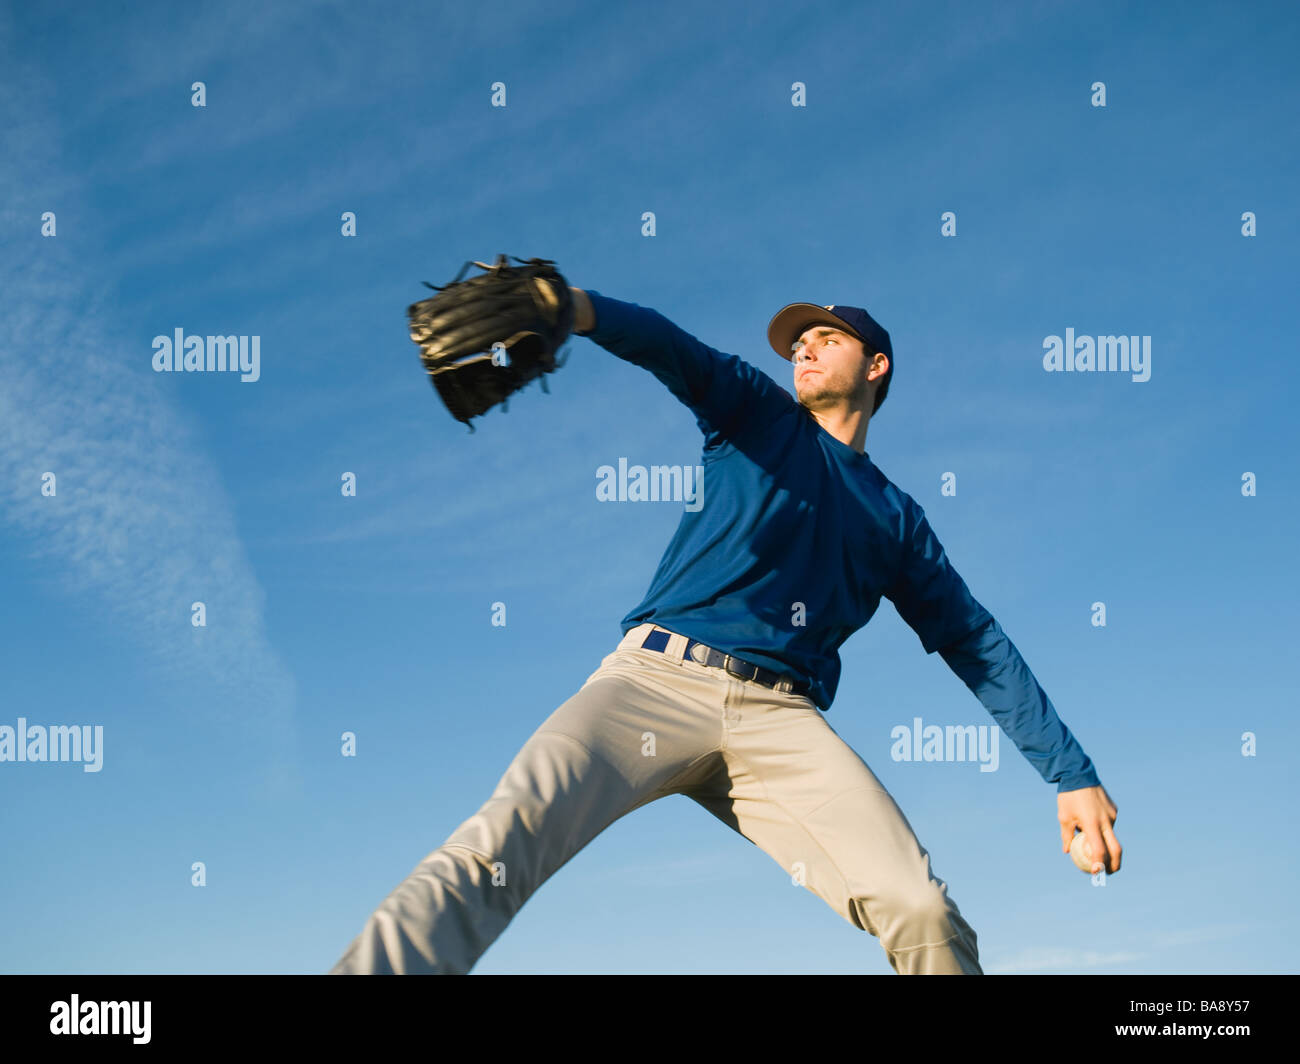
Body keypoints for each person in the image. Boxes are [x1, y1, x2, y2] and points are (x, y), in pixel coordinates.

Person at [329, 286, 1121, 975]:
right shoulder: (758, 417)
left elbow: (974, 641)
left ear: (876, 366)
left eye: (827, 338)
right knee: (501, 845)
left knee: (918, 907)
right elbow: (672, 348)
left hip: (782, 725)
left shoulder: (897, 518)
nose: (803, 350)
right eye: (797, 343)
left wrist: (1070, 773)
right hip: (649, 686)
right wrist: (570, 310)